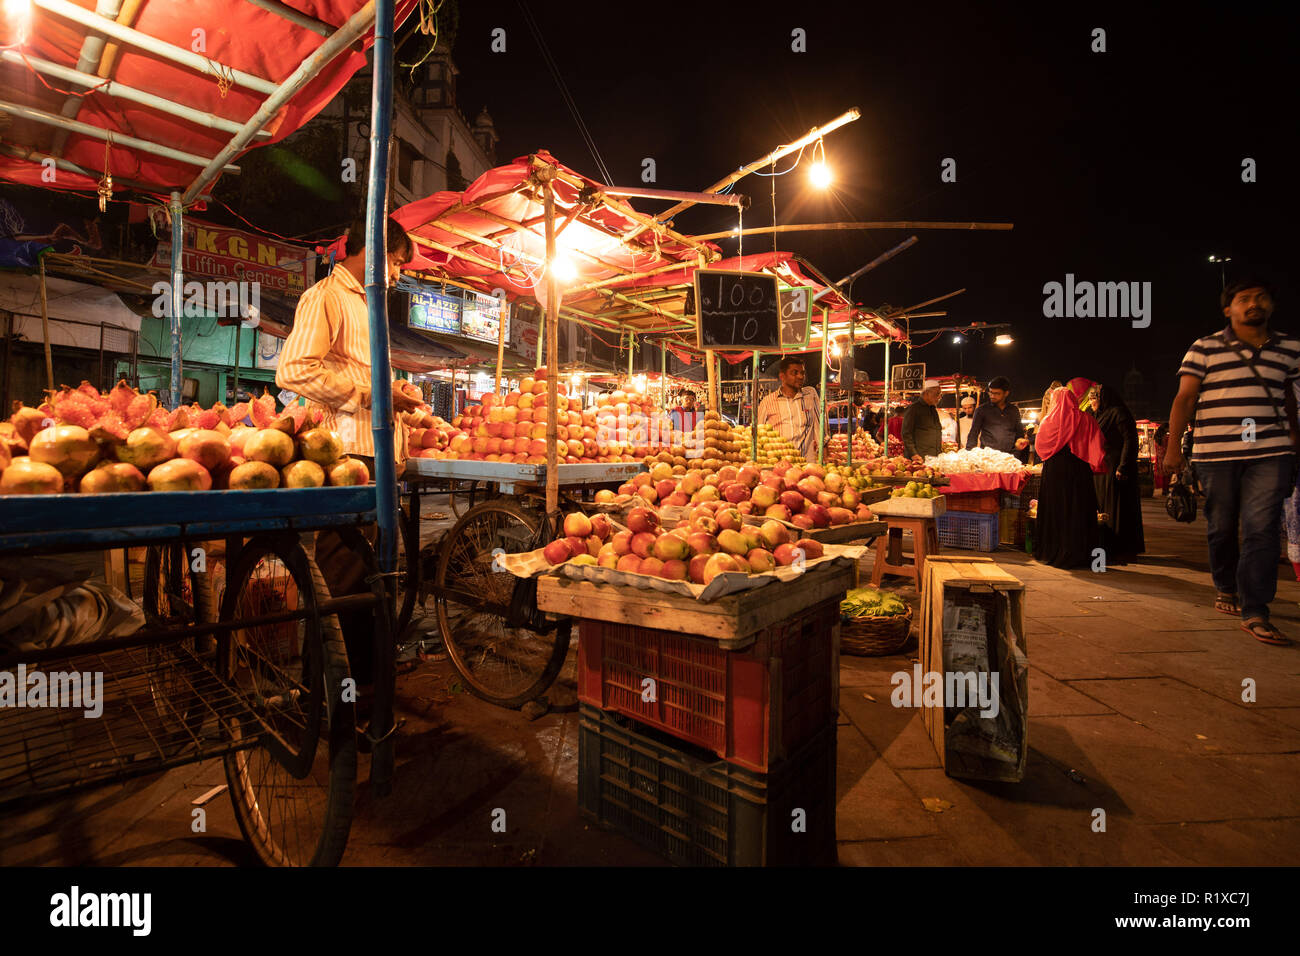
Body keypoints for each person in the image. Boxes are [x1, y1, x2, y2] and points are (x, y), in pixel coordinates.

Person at [276, 214, 424, 688]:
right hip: (346, 458)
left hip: (376, 460)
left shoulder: (368, 307)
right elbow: (294, 370)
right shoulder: (325, 297)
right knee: (342, 582)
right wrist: (372, 395)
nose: (400, 275)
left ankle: (361, 687)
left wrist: (390, 389)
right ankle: (327, 698)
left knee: (370, 581)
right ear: (375, 252)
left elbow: (363, 376)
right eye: (398, 263)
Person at [1163, 276, 1299, 646]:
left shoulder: (1291, 349)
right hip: (1216, 452)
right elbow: (1185, 399)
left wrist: (1294, 444)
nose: (1252, 303)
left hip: (1270, 452)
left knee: (1262, 529)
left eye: (1260, 298)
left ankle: (1256, 609)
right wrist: (1173, 450)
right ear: (1229, 309)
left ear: (1270, 305)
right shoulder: (1204, 348)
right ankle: (1226, 585)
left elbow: (1291, 401)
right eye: (1243, 299)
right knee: (1221, 525)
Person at [1034, 379, 1106, 568]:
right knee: (1078, 508)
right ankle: (1084, 554)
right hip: (1079, 471)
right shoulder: (1085, 418)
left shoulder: (1048, 422)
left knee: (1056, 508)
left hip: (1054, 472)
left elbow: (1040, 447)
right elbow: (1098, 444)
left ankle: (1052, 549)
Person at [1092, 383, 1145, 561]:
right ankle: (1108, 544)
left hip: (1115, 465)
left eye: (1096, 397)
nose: (1093, 401)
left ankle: (1121, 546)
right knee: (1105, 505)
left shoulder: (1118, 413)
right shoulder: (1100, 415)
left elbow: (1130, 440)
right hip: (1102, 466)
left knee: (1118, 505)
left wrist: (1123, 465)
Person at [756, 355, 821, 461]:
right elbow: (758, 435)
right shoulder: (767, 402)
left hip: (806, 465)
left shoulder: (810, 395)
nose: (800, 376)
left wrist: (824, 455)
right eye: (794, 373)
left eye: (802, 373)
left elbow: (821, 429)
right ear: (782, 376)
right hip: (779, 465)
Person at [966, 376, 1028, 454]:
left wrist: (1020, 441)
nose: (992, 396)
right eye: (991, 392)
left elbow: (1019, 433)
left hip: (1009, 456)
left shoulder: (1013, 410)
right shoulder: (982, 410)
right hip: (988, 457)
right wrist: (969, 453)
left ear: (1006, 393)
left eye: (996, 393)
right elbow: (973, 433)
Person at [902, 379, 943, 458]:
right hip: (919, 457)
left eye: (940, 394)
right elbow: (906, 433)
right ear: (927, 393)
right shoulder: (914, 409)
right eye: (937, 394)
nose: (939, 397)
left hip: (933, 456)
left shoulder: (933, 409)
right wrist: (913, 453)